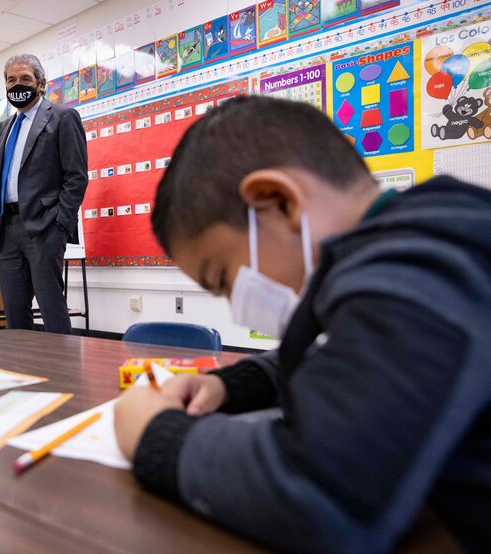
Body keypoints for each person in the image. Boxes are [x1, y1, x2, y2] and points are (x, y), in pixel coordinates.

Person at [114, 96, 491, 553]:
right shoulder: (420, 234)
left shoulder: (418, 271)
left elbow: (323, 496)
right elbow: (341, 354)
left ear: (279, 202)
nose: (236, 308)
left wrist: (155, 435)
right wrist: (231, 387)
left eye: (226, 279)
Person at [0, 54, 88, 334]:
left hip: (44, 227)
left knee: (51, 306)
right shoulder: (5, 127)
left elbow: (76, 177)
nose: (17, 85)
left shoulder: (63, 117)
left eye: (25, 79)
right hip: (7, 231)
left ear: (41, 83)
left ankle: (61, 372)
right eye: (11, 80)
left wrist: (60, 224)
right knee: (15, 311)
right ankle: (23, 372)